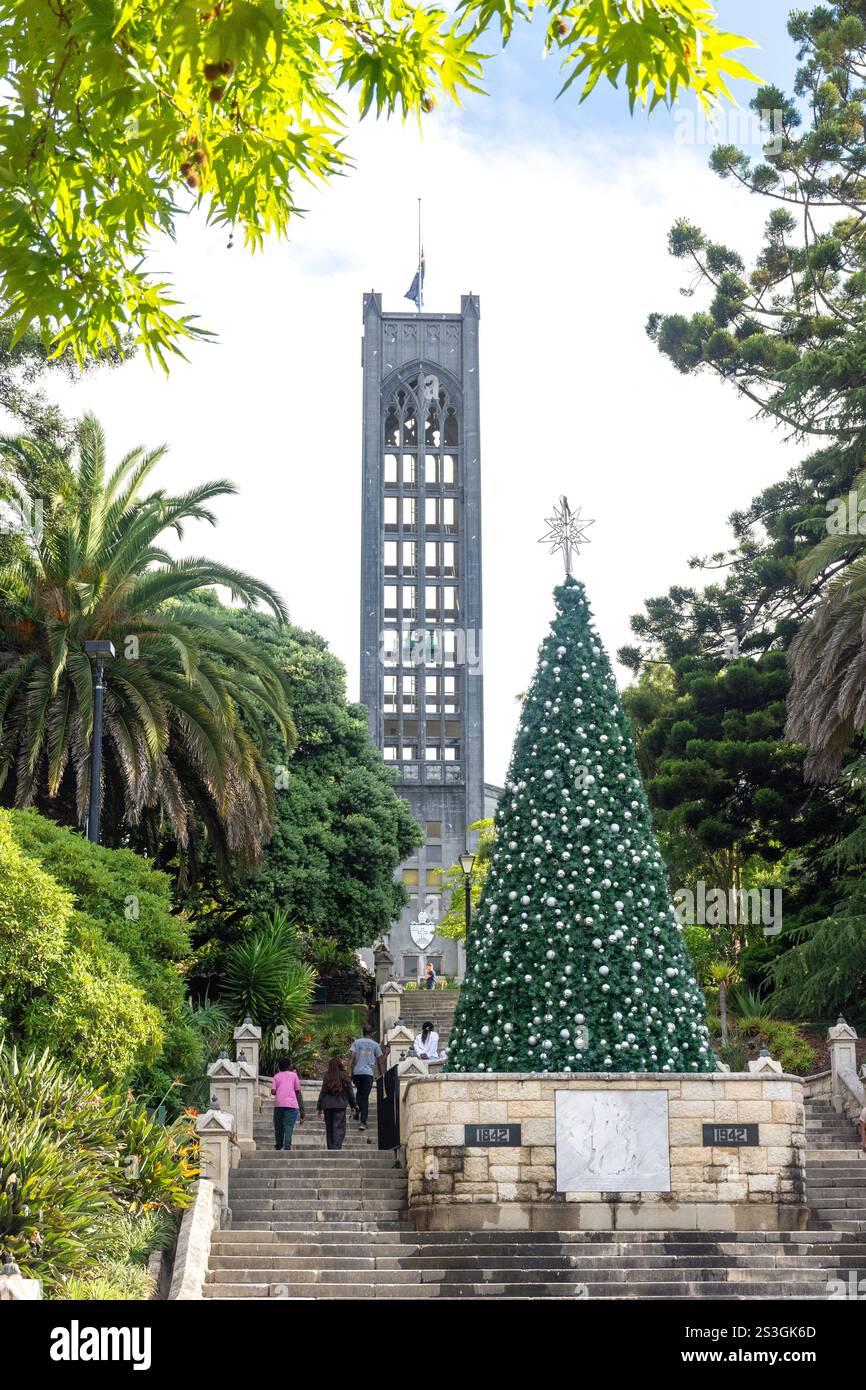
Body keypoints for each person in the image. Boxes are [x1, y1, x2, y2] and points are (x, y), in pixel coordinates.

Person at [348, 1022, 384, 1131]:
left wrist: (348, 1072)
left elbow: (352, 1058)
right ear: (371, 1033)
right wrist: (382, 1075)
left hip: (357, 1073)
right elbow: (380, 1061)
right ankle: (363, 1122)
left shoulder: (356, 1042)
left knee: (359, 1092)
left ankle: (356, 1113)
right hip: (368, 1074)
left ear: (362, 1032)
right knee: (365, 1097)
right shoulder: (375, 1044)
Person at [316, 1057, 357, 1151]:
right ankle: (336, 1148)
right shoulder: (344, 1075)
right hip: (340, 1105)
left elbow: (322, 1092)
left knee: (329, 1128)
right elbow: (350, 1093)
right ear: (340, 1065)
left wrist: (319, 1107)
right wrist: (353, 1106)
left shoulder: (327, 1076)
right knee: (339, 1128)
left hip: (327, 1106)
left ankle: (331, 1148)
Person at [271, 1056, 305, 1150]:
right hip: (292, 1105)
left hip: (279, 1104)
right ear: (288, 1066)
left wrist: (279, 1089)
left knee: (278, 1126)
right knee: (288, 1126)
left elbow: (273, 1091)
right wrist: (302, 1110)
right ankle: (287, 1145)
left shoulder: (276, 1076)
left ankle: (278, 1145)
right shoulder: (294, 1076)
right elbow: (298, 1091)